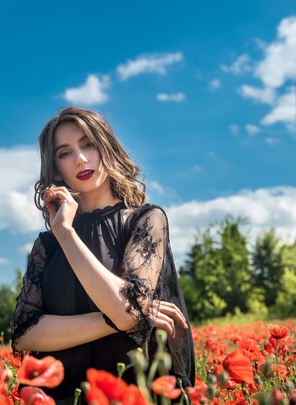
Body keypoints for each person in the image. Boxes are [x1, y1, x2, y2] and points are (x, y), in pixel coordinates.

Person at [11, 107, 195, 404]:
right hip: (62, 395)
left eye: (88, 145)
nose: (80, 159)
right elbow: (25, 332)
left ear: (105, 146)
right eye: (65, 153)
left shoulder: (146, 221)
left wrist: (68, 235)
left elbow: (128, 311)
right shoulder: (48, 245)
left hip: (130, 391)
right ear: (56, 169)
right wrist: (118, 319)